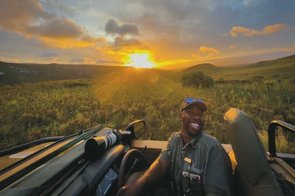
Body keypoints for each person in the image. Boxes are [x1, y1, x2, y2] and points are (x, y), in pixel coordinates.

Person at [117, 97, 233, 196]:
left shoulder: (212, 149)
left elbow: (216, 193)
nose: (197, 117)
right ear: (180, 115)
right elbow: (161, 164)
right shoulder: (174, 140)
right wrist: (140, 183)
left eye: (200, 114)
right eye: (191, 112)